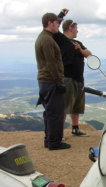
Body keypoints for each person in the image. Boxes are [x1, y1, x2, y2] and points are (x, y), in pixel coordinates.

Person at [35, 12, 71, 150]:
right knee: (56, 113)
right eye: (56, 23)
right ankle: (54, 142)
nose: (58, 25)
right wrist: (58, 82)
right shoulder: (47, 40)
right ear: (50, 23)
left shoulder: (45, 37)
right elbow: (51, 63)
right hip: (51, 81)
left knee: (50, 112)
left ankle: (49, 140)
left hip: (46, 81)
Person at [54, 11, 92, 137]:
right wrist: (61, 15)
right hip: (67, 78)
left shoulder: (78, 43)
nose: (77, 31)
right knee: (64, 106)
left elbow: (89, 54)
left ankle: (75, 128)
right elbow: (55, 27)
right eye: (76, 28)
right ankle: (59, 133)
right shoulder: (61, 40)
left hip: (78, 78)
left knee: (76, 106)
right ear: (70, 28)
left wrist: (80, 49)